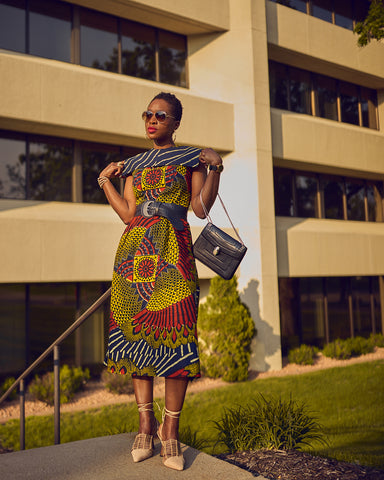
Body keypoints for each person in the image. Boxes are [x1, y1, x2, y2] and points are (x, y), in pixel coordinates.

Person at [98, 92, 223, 471]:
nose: (151, 120)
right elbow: (128, 214)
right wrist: (106, 180)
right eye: (147, 114)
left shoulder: (191, 158)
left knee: (177, 327)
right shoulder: (133, 164)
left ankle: (170, 430)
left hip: (175, 250)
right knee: (136, 332)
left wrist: (215, 168)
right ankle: (144, 423)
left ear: (175, 123)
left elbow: (200, 207)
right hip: (134, 252)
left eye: (160, 115)